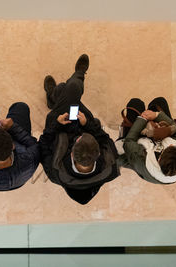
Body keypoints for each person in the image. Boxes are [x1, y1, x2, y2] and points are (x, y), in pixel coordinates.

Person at [39, 54, 120, 205]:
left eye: (79, 139)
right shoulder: (111, 165)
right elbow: (104, 138)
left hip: (59, 127)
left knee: (69, 89)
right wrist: (87, 125)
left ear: (71, 153)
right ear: (98, 154)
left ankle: (68, 83)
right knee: (69, 91)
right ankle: (59, 91)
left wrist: (56, 124)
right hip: (84, 123)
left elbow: (43, 145)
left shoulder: (55, 173)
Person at [117, 97, 176, 184]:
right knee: (160, 102)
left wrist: (142, 119)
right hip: (153, 140)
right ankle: (151, 113)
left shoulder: (141, 160)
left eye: (168, 148)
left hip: (136, 146)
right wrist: (156, 115)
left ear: (159, 160)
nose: (171, 144)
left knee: (135, 103)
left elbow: (129, 142)